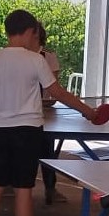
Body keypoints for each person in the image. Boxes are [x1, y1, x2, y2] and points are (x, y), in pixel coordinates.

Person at [0, 9, 97, 216]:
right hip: (27, 130)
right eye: (35, 34)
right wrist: (88, 111)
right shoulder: (35, 60)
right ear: (30, 32)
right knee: (23, 189)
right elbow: (58, 93)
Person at [31, 22, 67, 205]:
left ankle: (50, 187)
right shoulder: (19, 56)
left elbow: (54, 87)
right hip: (25, 112)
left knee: (47, 148)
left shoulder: (48, 56)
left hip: (46, 111)